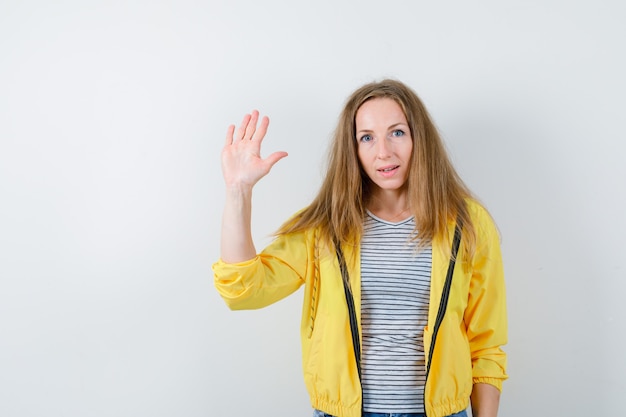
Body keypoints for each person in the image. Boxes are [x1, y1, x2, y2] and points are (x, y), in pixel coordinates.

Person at [213, 79, 507, 417]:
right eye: (366, 137)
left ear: (419, 138)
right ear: (352, 149)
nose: (383, 151)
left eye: (397, 132)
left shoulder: (468, 223)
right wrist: (238, 191)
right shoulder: (326, 226)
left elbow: (486, 344)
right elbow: (243, 290)